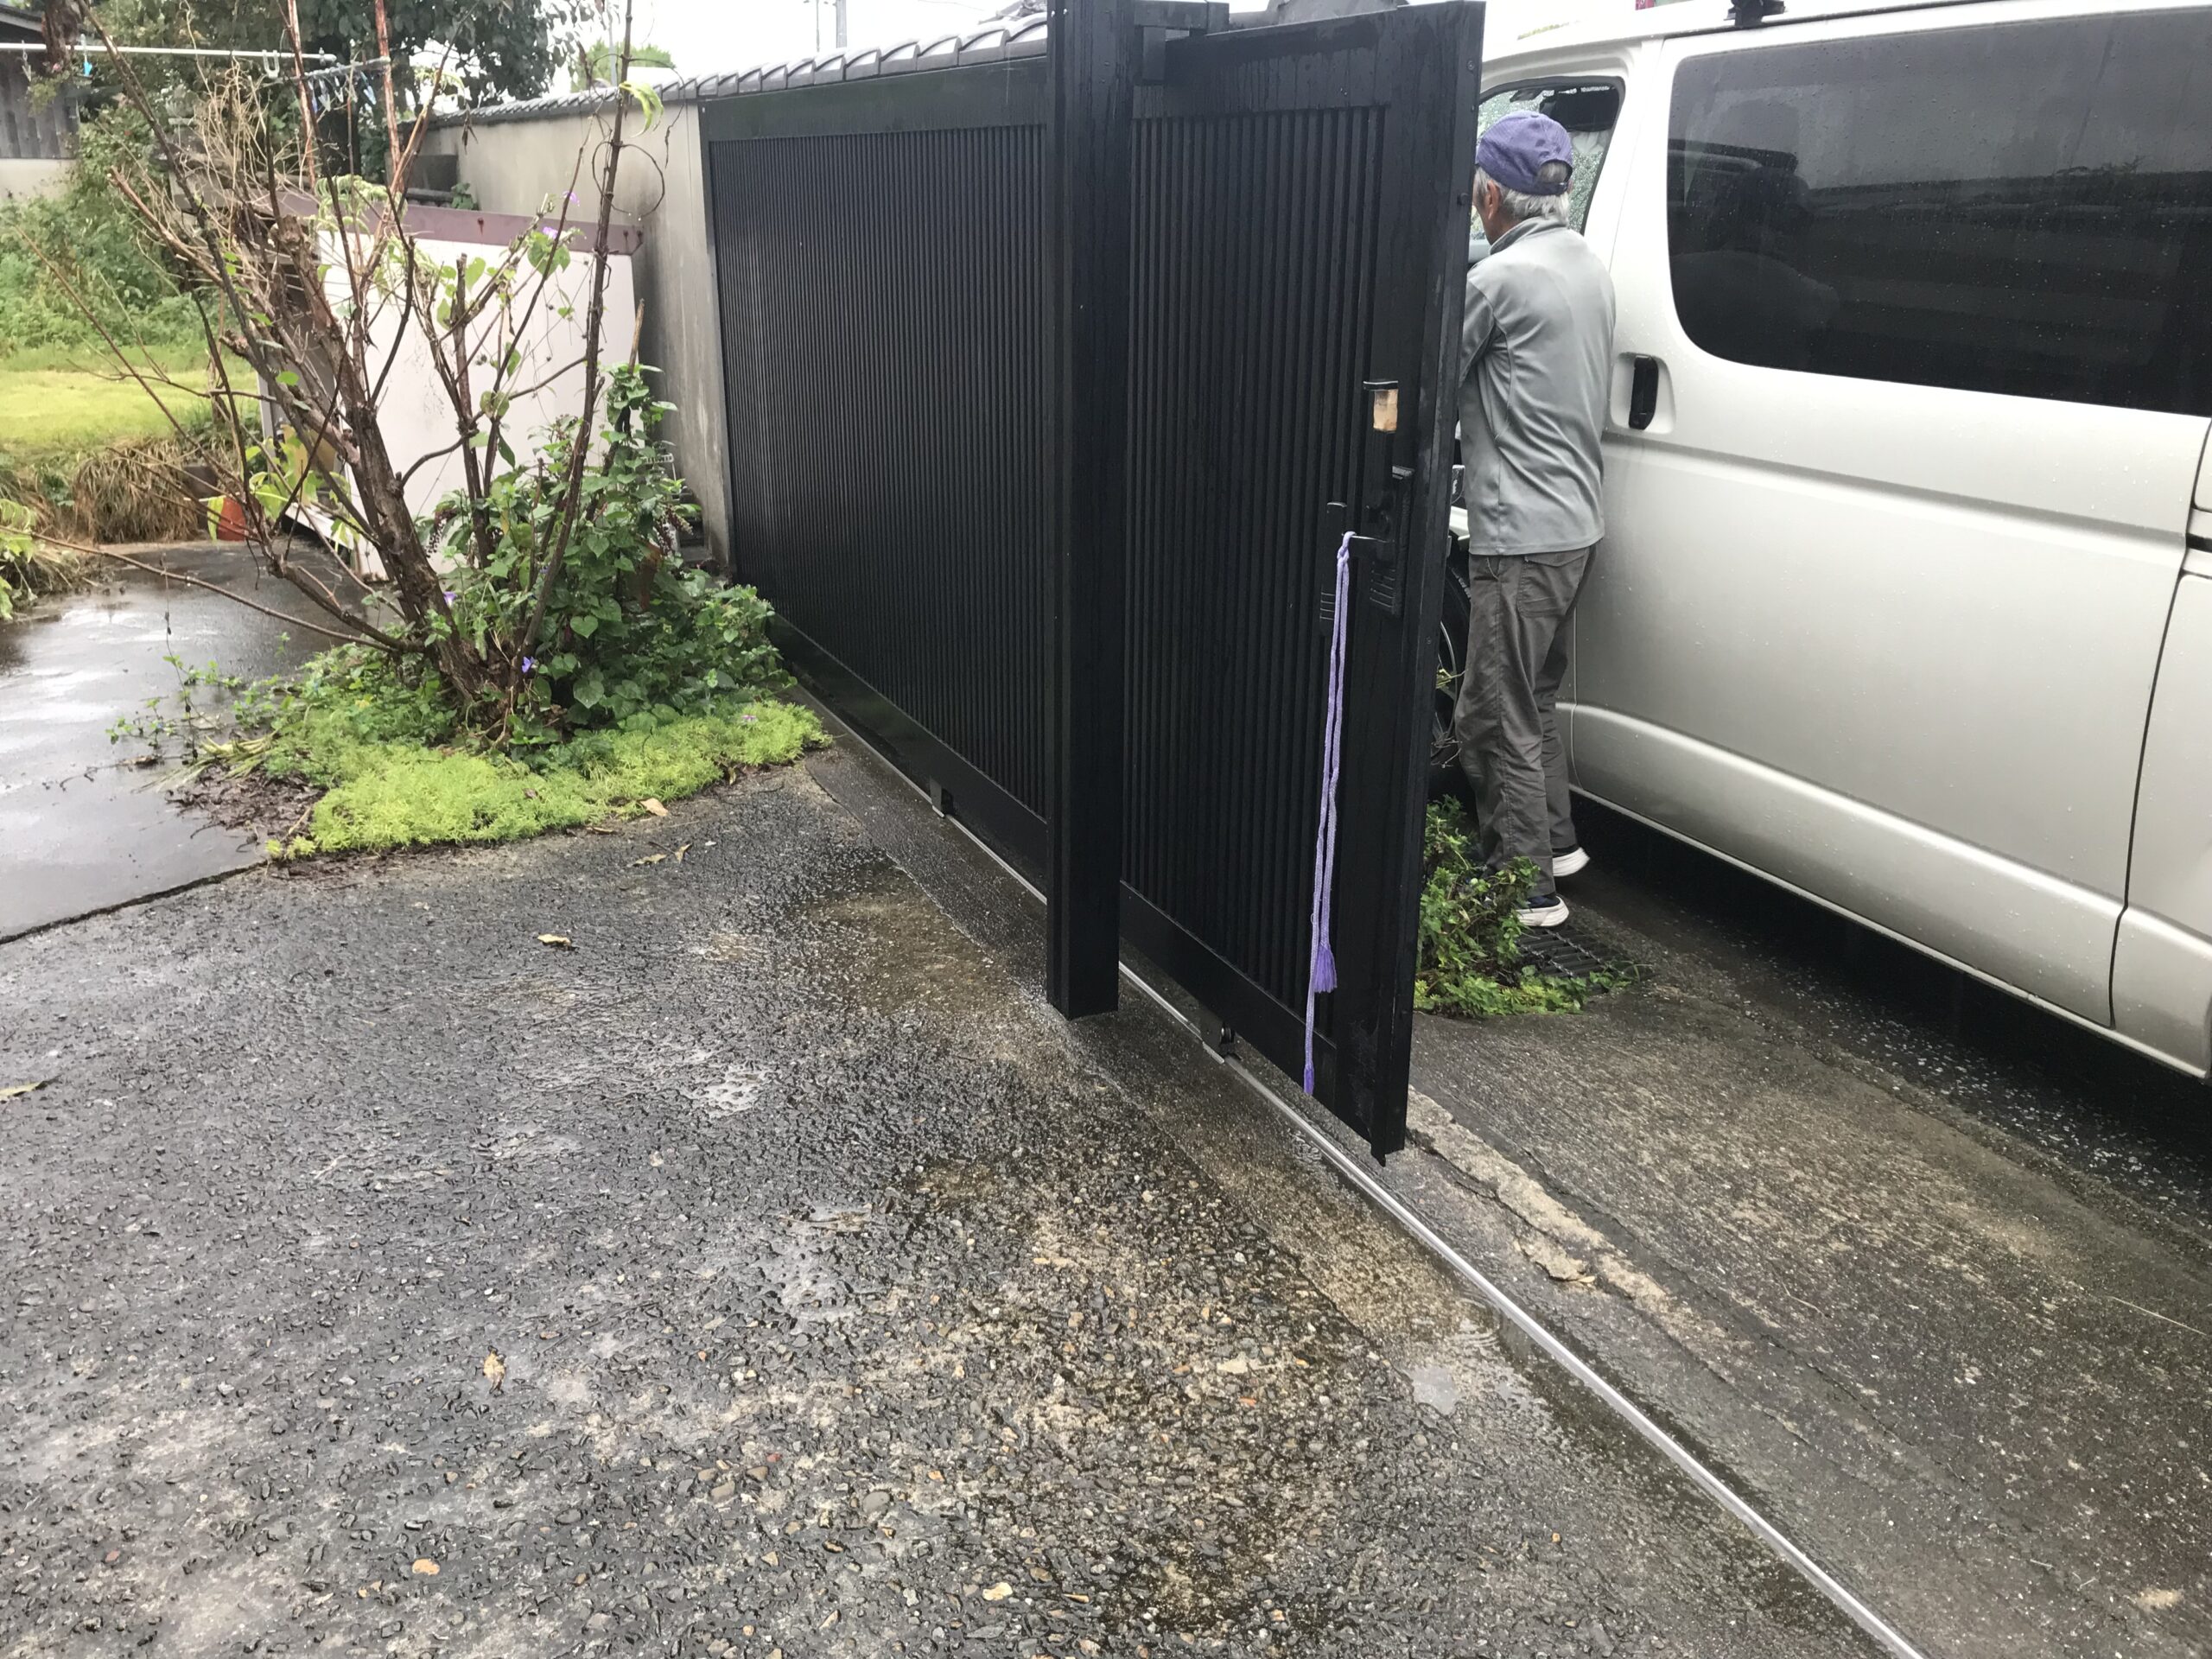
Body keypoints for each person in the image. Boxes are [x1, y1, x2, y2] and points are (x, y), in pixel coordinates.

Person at [1452, 109, 1617, 928]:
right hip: (1576, 524)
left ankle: (1522, 890)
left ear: (1490, 197)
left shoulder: (1497, 281)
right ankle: (1555, 841)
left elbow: (1429, 376)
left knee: (1491, 713)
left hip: (1520, 536)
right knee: (1534, 699)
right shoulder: (1585, 263)